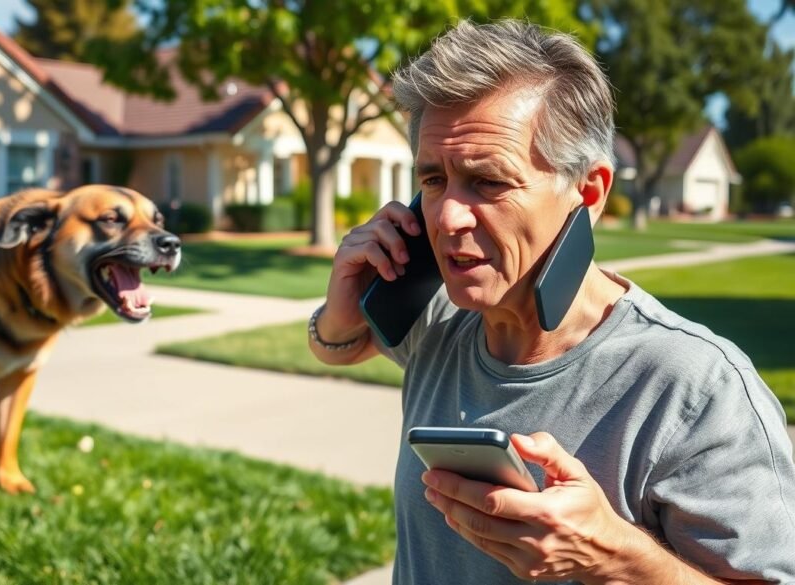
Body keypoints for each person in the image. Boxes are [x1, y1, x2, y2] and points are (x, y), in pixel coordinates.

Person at [308, 19, 795, 585]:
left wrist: (617, 559)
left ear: (588, 194)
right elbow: (339, 348)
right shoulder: (440, 319)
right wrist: (343, 305)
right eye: (434, 180)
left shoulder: (695, 387)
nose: (446, 217)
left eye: (487, 182)